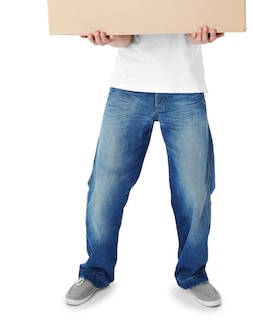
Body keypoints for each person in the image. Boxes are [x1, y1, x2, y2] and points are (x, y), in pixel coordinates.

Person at [65, 26, 224, 307]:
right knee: (105, 188)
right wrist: (107, 35)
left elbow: (195, 27)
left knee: (194, 190)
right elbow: (126, 37)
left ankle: (194, 274)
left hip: (184, 89)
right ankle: (96, 271)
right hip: (128, 89)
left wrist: (212, 29)